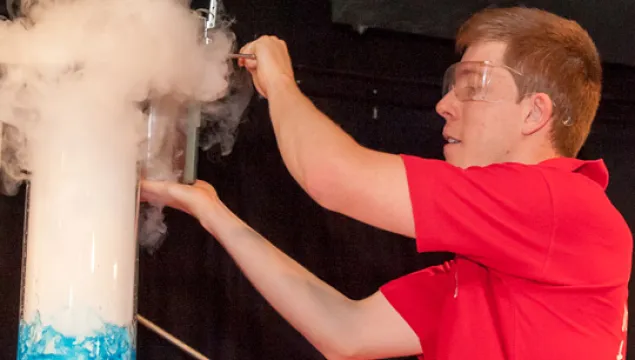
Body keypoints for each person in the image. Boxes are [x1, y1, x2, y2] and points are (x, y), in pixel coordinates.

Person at [141, 6, 633, 360]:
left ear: (534, 113)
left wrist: (281, 84)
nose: (445, 105)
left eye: (473, 85)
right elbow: (345, 331)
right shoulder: (493, 263)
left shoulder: (557, 204)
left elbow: (332, 176)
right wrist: (213, 212)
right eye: (451, 86)